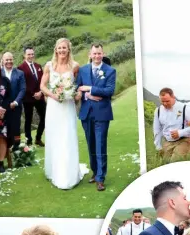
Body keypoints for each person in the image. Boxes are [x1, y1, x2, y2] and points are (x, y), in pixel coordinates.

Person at [40, 38, 87, 189]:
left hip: (67, 107)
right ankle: (54, 171)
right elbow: (42, 85)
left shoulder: (75, 66)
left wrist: (75, 94)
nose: (61, 50)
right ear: (56, 49)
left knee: (67, 136)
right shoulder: (49, 65)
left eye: (64, 48)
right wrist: (53, 95)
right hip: (54, 107)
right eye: (59, 48)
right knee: (55, 137)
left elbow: (78, 86)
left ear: (68, 50)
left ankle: (69, 175)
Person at [76, 43, 117, 191]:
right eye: (94, 54)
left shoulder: (110, 71)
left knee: (100, 145)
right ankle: (94, 172)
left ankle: (101, 178)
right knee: (91, 144)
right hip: (86, 113)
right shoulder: (82, 70)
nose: (97, 56)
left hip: (102, 113)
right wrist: (88, 94)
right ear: (90, 54)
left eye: (99, 53)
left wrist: (90, 88)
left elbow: (109, 90)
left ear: (103, 53)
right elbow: (77, 87)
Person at [153, 87, 190, 161]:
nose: (165, 104)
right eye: (162, 101)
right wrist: (158, 146)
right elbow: (157, 129)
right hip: (168, 142)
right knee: (164, 163)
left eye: (167, 101)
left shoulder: (185, 108)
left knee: (174, 162)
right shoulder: (158, 110)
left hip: (184, 140)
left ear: (173, 97)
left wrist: (180, 133)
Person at [1, 52, 26, 165]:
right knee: (4, 131)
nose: (9, 62)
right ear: (3, 61)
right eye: (7, 60)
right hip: (3, 109)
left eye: (10, 59)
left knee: (16, 130)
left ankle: (17, 153)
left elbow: (22, 89)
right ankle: (5, 155)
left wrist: (16, 102)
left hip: (16, 107)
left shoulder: (19, 73)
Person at [17, 46, 46, 147]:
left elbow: (43, 80)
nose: (31, 56)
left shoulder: (38, 66)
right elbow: (23, 84)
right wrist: (34, 94)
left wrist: (41, 92)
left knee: (44, 116)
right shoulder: (20, 68)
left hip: (40, 96)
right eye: (29, 54)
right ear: (24, 55)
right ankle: (28, 140)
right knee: (28, 119)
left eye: (32, 54)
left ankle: (38, 138)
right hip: (28, 98)